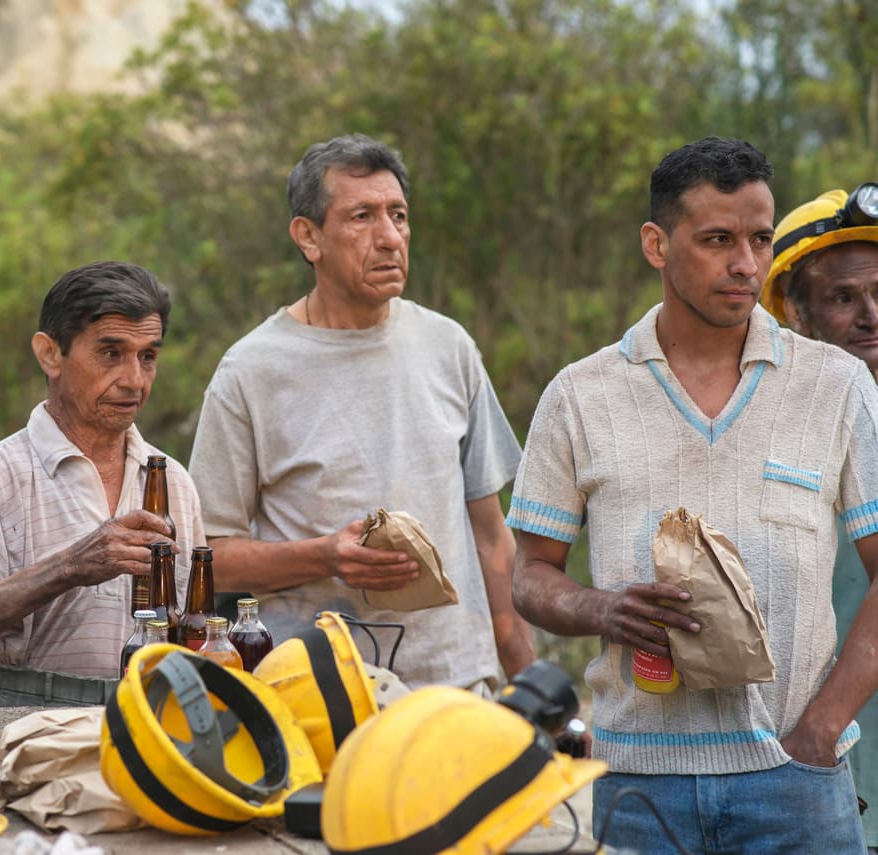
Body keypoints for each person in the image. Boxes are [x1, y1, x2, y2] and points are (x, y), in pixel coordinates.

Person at [508, 137, 878, 852]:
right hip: (637, 786)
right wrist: (603, 608)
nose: (745, 263)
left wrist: (819, 731)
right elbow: (531, 574)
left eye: (759, 239)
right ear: (657, 244)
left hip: (797, 782)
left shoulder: (836, 386)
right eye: (717, 240)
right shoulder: (580, 395)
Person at [188, 133, 534, 692]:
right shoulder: (251, 371)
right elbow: (210, 559)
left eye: (398, 215)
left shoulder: (448, 346)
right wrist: (325, 557)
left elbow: (492, 538)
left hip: (454, 687)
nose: (390, 237)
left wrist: (531, 682)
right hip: (318, 694)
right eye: (362, 216)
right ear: (309, 237)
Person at [0, 260, 205, 707]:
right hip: (22, 719)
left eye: (148, 357)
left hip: (149, 715)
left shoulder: (173, 481)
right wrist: (70, 567)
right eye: (111, 353)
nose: (134, 380)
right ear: (50, 354)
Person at [761, 183, 878, 852]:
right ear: (795, 314)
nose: (871, 315)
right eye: (843, 298)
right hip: (808, 783)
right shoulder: (760, 432)